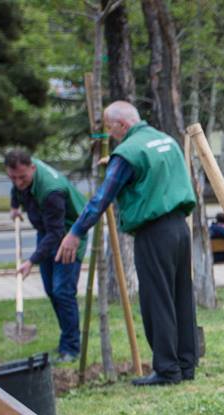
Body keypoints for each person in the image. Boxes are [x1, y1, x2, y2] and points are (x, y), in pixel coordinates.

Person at [56, 101, 198, 386]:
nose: (110, 135)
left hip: (153, 232)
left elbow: (102, 198)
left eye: (110, 128)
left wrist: (76, 232)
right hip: (180, 228)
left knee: (157, 300)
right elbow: (153, 173)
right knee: (181, 296)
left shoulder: (127, 153)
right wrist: (116, 164)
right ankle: (186, 364)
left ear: (122, 125)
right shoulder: (165, 140)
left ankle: (167, 370)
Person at [5, 150, 87, 364]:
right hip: (48, 231)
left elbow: (56, 233)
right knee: (51, 290)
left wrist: (31, 261)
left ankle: (71, 348)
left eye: (22, 177)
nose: (18, 182)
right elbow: (17, 189)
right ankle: (65, 341)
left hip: (69, 234)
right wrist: (14, 206)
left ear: (32, 168)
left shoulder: (52, 191)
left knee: (62, 291)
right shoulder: (21, 176)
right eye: (13, 178)